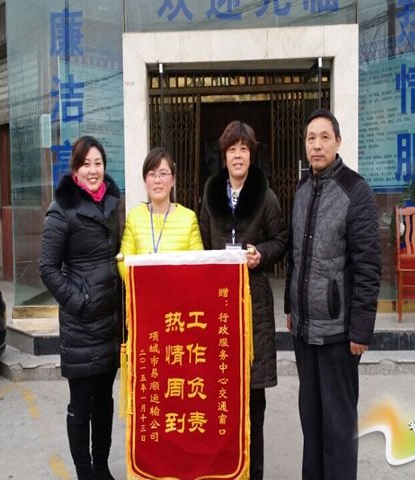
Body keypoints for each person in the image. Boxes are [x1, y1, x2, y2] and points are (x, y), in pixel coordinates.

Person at [284, 108, 382, 480]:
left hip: (339, 333)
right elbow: (295, 256)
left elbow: (368, 265)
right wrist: (290, 306)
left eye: (325, 137)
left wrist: (361, 330)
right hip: (304, 330)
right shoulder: (301, 189)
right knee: (311, 422)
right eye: (311, 138)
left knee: (339, 426)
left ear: (338, 142)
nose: (317, 145)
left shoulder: (356, 191)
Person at [199, 120, 287, 480]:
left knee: (254, 398)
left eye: (244, 149)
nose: (238, 155)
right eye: (232, 149)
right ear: (224, 156)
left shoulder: (266, 196)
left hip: (255, 304)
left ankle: (255, 472)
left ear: (251, 155)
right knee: (222, 395)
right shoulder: (210, 194)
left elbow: (281, 240)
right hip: (219, 302)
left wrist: (261, 253)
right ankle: (226, 469)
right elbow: (203, 243)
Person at [39, 135, 121, 480]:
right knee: (81, 405)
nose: (93, 170)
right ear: (75, 169)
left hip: (110, 323)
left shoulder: (113, 203)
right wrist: (80, 301)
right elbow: (47, 268)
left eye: (98, 163)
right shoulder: (62, 209)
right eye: (86, 164)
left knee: (105, 402)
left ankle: (101, 467)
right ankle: (85, 473)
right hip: (82, 325)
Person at [119, 147, 202, 274]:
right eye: (152, 174)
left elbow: (199, 264)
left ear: (173, 180)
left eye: (163, 174)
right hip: (145, 285)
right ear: (145, 180)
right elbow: (123, 262)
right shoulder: (134, 217)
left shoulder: (188, 218)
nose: (157, 180)